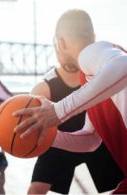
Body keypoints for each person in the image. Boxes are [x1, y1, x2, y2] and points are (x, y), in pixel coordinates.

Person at [0, 51, 123, 193]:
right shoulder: (44, 87)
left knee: (120, 186)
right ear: (59, 46)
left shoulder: (102, 78)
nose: (69, 53)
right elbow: (22, 121)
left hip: (98, 140)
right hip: (55, 142)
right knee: (35, 191)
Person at [12, 9, 127, 193]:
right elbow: (90, 140)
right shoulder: (93, 76)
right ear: (93, 35)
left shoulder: (91, 54)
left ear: (61, 43)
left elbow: (124, 65)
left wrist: (57, 111)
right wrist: (46, 136)